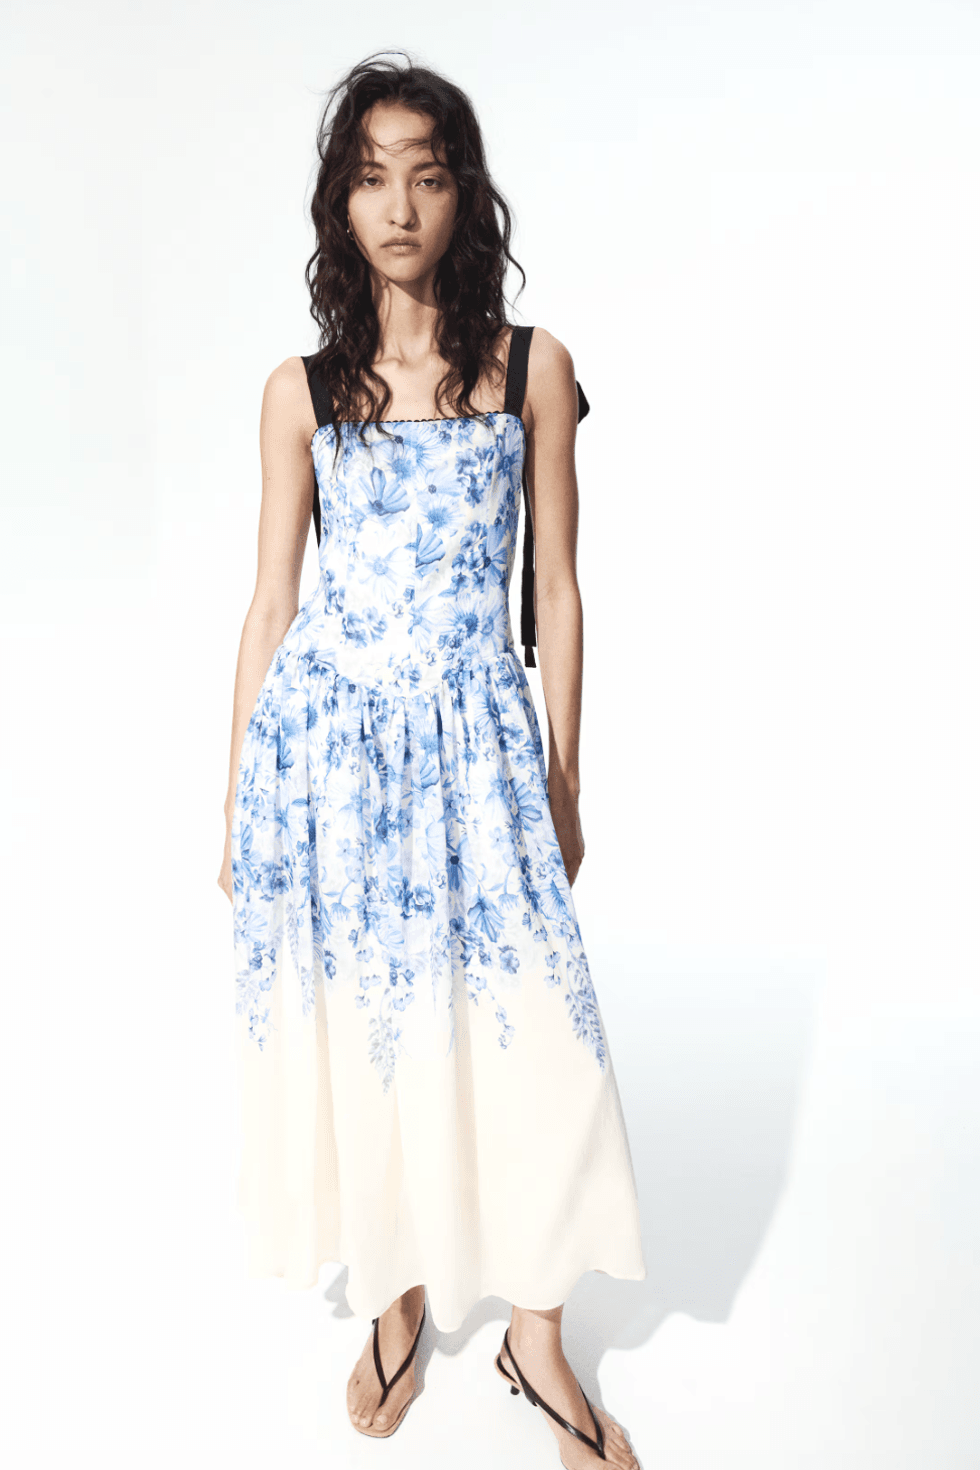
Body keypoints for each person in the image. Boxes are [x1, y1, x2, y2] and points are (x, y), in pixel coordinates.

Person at [217, 51, 645, 1468]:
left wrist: (566, 781)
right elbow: (273, 604)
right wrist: (238, 807)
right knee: (377, 1033)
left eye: (429, 170)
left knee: (541, 1048)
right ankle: (397, 1289)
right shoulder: (302, 389)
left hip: (481, 748)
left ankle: (534, 1333)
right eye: (371, 173)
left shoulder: (534, 367)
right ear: (341, 203)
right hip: (333, 758)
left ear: (467, 196)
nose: (400, 201)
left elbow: (563, 595)